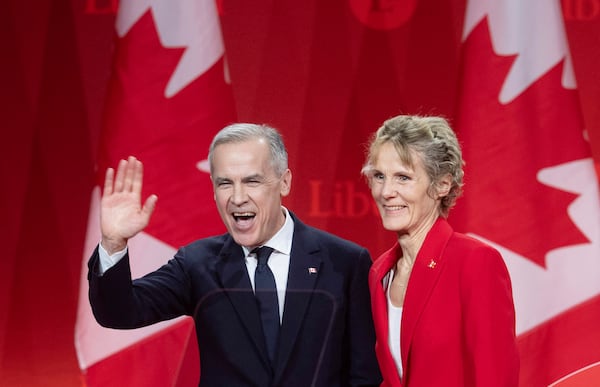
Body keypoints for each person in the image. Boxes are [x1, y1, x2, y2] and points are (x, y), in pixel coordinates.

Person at [88, 123, 382, 387]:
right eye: (225, 183)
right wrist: (113, 242)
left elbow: (364, 374)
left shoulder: (345, 262)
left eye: (252, 181)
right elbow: (119, 312)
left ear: (284, 182)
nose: (237, 197)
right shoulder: (198, 263)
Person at [361, 115, 519, 386]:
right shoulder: (380, 272)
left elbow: (495, 377)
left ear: (442, 185)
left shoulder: (475, 262)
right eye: (379, 176)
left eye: (403, 177)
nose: (386, 191)